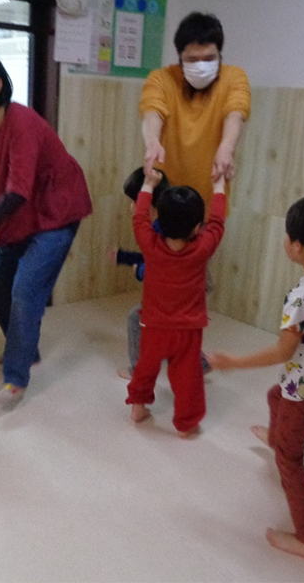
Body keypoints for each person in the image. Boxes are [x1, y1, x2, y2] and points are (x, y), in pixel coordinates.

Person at [209, 194, 304, 561]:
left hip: (303, 390)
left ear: (298, 247)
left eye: (287, 234)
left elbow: (282, 352)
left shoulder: (302, 295)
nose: (285, 239)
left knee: (290, 462)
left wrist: (233, 362)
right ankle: (277, 439)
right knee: (274, 397)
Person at [0, 53, 93, 408]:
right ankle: (27, 350)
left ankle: (15, 378)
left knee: (25, 290)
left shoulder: (23, 123)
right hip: (19, 214)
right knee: (0, 290)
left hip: (56, 213)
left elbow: (18, 192)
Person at [125, 171, 226, 438]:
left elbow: (139, 218)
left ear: (160, 219)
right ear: (197, 228)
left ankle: (138, 408)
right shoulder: (202, 249)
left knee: (145, 368)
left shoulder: (150, 245)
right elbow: (218, 223)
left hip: (154, 326)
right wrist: (219, 186)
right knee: (187, 378)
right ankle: (186, 423)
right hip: (187, 331)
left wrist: (148, 184)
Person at [109, 167, 212, 380]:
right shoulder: (172, 223)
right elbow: (155, 258)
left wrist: (140, 270)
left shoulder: (161, 230)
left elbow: (157, 266)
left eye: (135, 201)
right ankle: (201, 364)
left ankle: (137, 371)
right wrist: (124, 258)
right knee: (180, 329)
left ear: (149, 204)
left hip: (180, 289)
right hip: (195, 285)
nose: (132, 207)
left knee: (136, 320)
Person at [139, 12, 250, 203]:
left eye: (209, 58)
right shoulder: (161, 78)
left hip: (209, 192)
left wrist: (227, 147)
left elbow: (235, 112)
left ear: (219, 54)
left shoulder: (234, 77)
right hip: (165, 194)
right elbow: (152, 111)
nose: (201, 66)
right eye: (192, 59)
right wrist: (152, 142)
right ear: (180, 57)